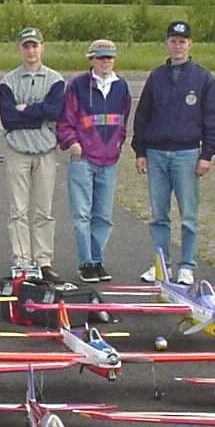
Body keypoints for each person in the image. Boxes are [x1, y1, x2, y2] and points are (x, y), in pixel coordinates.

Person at [131, 19, 215, 285]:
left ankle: (187, 266)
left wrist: (207, 154)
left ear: (190, 44)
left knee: (188, 215)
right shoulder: (156, 77)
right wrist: (140, 151)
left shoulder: (203, 78)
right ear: (167, 43)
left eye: (182, 41)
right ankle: (162, 264)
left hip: (187, 154)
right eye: (173, 41)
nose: (177, 46)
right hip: (156, 153)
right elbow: (142, 116)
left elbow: (212, 119)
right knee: (159, 215)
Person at [56, 39, 131, 281]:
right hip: (83, 158)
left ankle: (98, 259)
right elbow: (66, 119)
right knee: (82, 215)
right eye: (101, 57)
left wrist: (118, 142)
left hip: (109, 160)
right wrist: (72, 142)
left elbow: (123, 119)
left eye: (109, 57)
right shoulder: (77, 85)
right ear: (92, 59)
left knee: (103, 216)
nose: (105, 62)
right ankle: (86, 262)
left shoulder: (121, 87)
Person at [0, 26, 66, 285]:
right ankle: (22, 260)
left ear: (42, 47)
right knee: (18, 209)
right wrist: (39, 113)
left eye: (35, 45)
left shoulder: (55, 80)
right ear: (20, 49)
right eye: (26, 46)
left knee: (43, 210)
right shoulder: (9, 81)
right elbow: (8, 118)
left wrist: (25, 109)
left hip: (46, 150)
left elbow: (55, 111)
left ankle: (43, 261)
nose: (31, 50)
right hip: (17, 150)